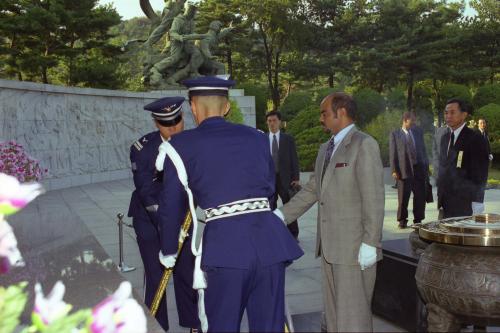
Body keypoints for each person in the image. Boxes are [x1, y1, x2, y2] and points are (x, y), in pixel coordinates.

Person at [155, 76, 303, 332]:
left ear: (192, 107)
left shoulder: (178, 146)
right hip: (270, 244)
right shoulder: (258, 138)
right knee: (270, 326)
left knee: (222, 325)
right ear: (226, 107)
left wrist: (168, 252)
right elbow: (269, 189)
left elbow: (171, 208)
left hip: (226, 249)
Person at [276, 92, 385, 332]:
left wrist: (370, 241)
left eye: (324, 113)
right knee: (334, 316)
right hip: (329, 247)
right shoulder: (326, 147)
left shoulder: (364, 144)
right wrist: (281, 216)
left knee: (353, 317)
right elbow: (314, 189)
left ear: (342, 112)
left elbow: (374, 198)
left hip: (355, 249)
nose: (321, 119)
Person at [127, 96, 199, 332]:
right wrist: (170, 228)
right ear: (156, 123)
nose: (173, 128)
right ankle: (157, 325)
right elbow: (147, 192)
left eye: (177, 121)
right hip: (150, 220)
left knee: (187, 274)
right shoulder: (142, 148)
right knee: (156, 276)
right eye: (166, 124)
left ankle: (193, 325)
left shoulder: (194, 143)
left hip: (182, 220)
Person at [437, 98, 489, 218]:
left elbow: (480, 172)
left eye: (452, 112)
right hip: (445, 202)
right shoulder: (445, 137)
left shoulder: (475, 138)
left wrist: (477, 202)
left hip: (465, 202)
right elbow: (443, 167)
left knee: (461, 236)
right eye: (446, 113)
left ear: (464, 115)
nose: (448, 116)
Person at [389, 112, 429, 228]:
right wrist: (394, 170)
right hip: (403, 170)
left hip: (419, 169)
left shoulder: (417, 132)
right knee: (403, 198)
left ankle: (418, 220)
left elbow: (423, 150)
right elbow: (393, 153)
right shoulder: (395, 134)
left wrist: (426, 166)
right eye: (412, 120)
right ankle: (402, 220)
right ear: (405, 120)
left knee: (420, 197)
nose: (414, 123)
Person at [266, 111, 300, 239]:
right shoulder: (263, 139)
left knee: (289, 207)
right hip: (269, 180)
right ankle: (272, 233)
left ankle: (293, 234)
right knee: (270, 207)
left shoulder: (288, 139)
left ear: (280, 122)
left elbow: (294, 159)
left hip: (286, 179)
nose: (272, 123)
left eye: (274, 120)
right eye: (269, 121)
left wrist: (296, 178)